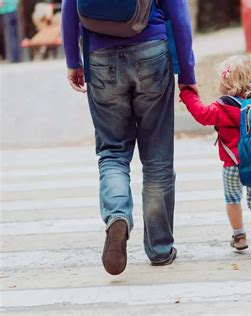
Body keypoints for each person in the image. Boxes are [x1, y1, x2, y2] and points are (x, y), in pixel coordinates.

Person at [61, 0, 197, 275]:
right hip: (151, 51)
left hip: (100, 56)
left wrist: (73, 61)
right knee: (157, 157)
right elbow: (178, 13)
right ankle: (159, 249)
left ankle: (117, 216)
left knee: (112, 152)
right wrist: (187, 72)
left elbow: (68, 8)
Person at [180, 55, 251, 259]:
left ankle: (239, 236)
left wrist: (187, 94)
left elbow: (202, 114)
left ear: (229, 83)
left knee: (232, 199)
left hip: (232, 165)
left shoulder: (223, 107)